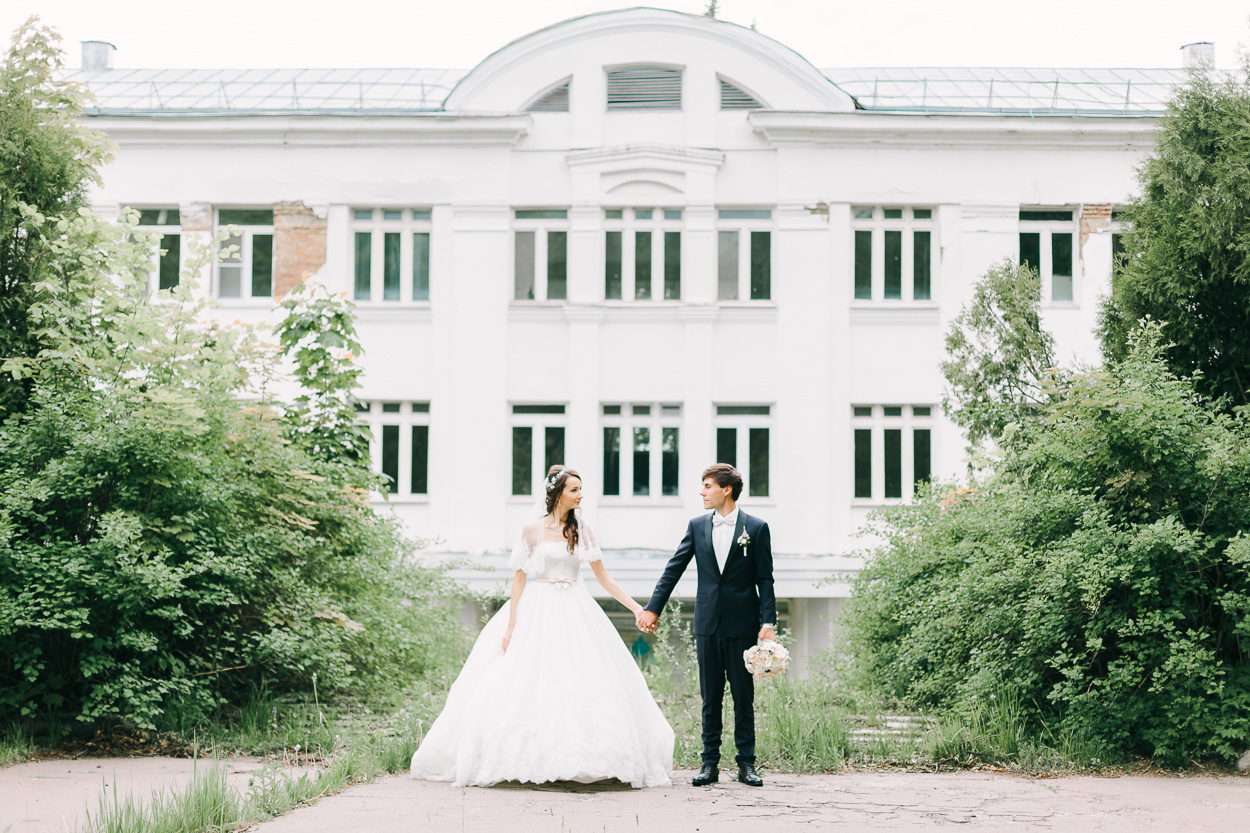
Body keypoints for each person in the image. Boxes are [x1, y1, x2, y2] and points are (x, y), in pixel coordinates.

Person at [410, 465, 674, 788]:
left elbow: (604, 578)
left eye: (581, 489)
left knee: (577, 680)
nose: (581, 495)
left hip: (576, 608)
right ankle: (525, 757)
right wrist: (511, 626)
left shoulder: (584, 529)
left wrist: (637, 608)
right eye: (574, 490)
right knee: (529, 680)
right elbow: (519, 580)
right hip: (539, 607)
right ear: (558, 493)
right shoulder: (531, 530)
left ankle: (580, 758)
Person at [636, 463, 776, 788]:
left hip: (743, 625)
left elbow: (764, 579)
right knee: (710, 697)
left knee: (743, 696)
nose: (702, 491)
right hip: (707, 623)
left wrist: (767, 623)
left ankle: (746, 765)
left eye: (708, 485)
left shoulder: (756, 528)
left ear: (726, 489)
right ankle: (709, 763)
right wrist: (653, 608)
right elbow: (675, 567)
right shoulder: (697, 526)